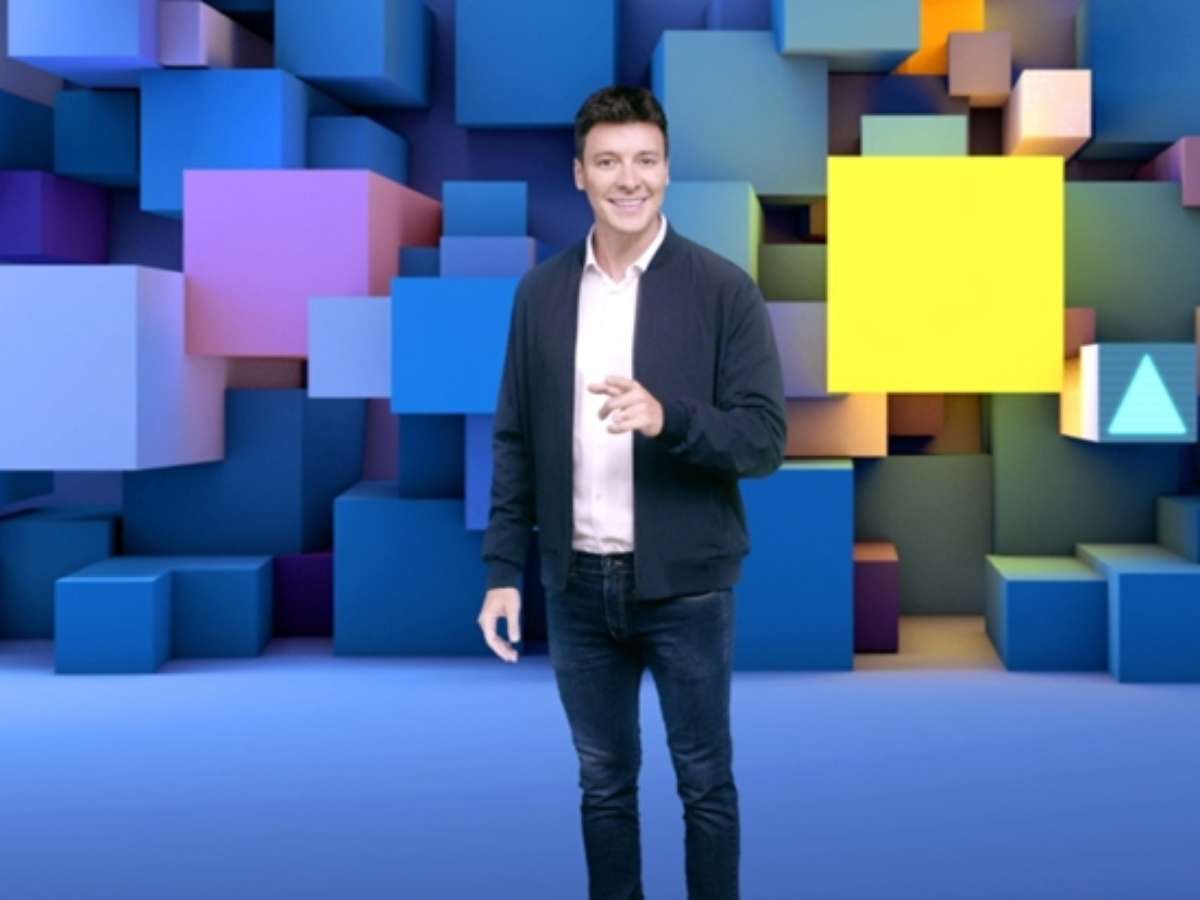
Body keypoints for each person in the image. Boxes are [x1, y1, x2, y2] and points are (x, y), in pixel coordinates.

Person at [478, 85, 787, 900]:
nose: (629, 179)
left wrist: (667, 417)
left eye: (646, 160)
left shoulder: (724, 290)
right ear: (578, 172)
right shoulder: (540, 294)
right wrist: (503, 569)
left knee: (705, 782)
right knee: (602, 783)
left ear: (668, 170)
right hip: (576, 586)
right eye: (609, 161)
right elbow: (514, 439)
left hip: (688, 589)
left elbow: (764, 440)